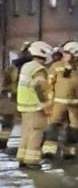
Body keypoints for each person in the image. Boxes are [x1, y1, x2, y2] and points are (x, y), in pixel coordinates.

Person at [43, 41, 78, 160]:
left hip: (77, 106)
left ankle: (69, 152)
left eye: (68, 54)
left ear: (76, 55)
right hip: (58, 103)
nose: (65, 56)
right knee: (53, 125)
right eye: (65, 54)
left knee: (74, 129)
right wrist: (48, 101)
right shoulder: (56, 66)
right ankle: (49, 151)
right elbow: (49, 84)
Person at [15, 41, 54, 169]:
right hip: (35, 107)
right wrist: (47, 106)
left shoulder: (26, 66)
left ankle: (22, 158)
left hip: (24, 106)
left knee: (26, 133)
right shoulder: (39, 69)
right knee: (36, 134)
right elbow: (41, 89)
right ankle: (32, 161)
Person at [0, 50, 20, 153]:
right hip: (12, 101)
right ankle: (2, 144)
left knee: (7, 124)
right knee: (8, 123)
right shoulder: (14, 70)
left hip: (7, 101)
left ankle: (2, 143)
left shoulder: (10, 70)